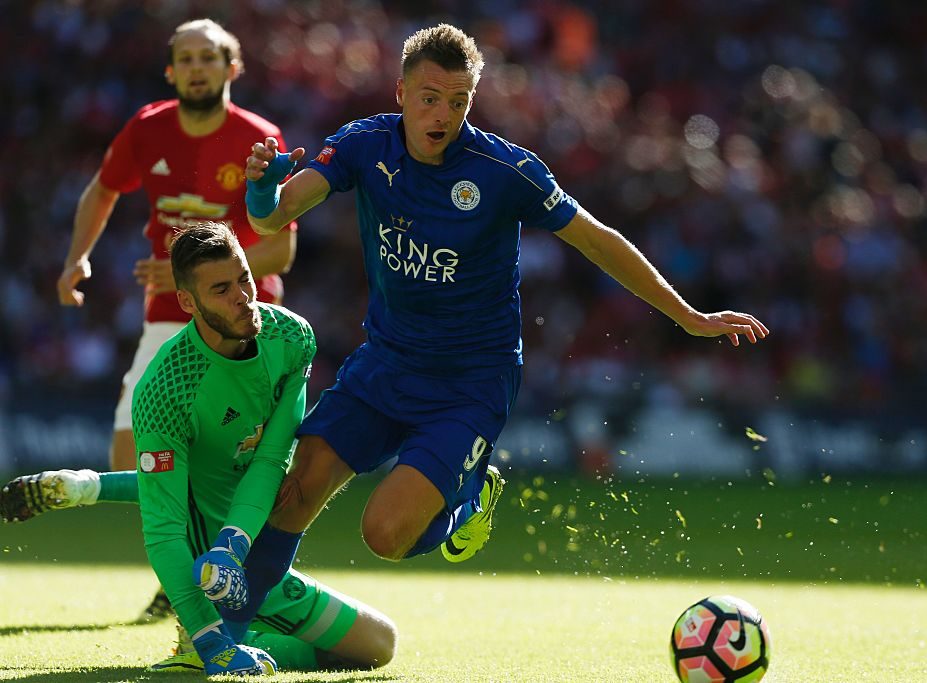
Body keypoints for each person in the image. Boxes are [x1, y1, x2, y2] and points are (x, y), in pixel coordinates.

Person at [232, 22, 769, 611]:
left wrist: (686, 315)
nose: (444, 114)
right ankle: (230, 635)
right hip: (386, 363)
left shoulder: (503, 171)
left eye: (459, 101)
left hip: (470, 383)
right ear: (401, 94)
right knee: (292, 495)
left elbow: (597, 240)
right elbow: (272, 217)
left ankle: (463, 501)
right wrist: (261, 189)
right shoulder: (365, 144)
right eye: (430, 98)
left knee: (383, 536)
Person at [2, 222, 396, 675]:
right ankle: (203, 637)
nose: (243, 297)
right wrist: (211, 642)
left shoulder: (291, 338)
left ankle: (245, 639)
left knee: (379, 645)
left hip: (247, 551)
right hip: (202, 568)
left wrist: (233, 544)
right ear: (188, 303)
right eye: (222, 289)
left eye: (245, 278)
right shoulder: (165, 388)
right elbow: (165, 529)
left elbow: (270, 460)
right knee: (175, 505)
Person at [56, 17, 298, 619]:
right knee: (127, 452)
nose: (196, 68)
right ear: (171, 71)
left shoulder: (258, 137)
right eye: (185, 58)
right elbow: (102, 189)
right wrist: (76, 259)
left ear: (231, 68)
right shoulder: (148, 128)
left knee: (241, 457)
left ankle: (219, 573)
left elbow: (282, 249)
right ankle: (193, 565)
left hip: (244, 321)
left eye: (209, 57)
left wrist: (193, 275)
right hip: (168, 315)